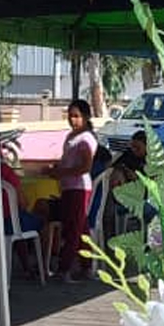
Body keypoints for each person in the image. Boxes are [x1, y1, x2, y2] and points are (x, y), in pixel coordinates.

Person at [46, 98, 97, 282]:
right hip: (68, 187)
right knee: (80, 227)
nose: (72, 120)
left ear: (85, 117)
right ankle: (86, 266)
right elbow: (67, 160)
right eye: (70, 116)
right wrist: (56, 169)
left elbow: (85, 167)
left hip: (79, 188)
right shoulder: (71, 136)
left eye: (76, 116)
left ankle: (65, 267)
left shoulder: (86, 139)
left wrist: (62, 172)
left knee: (73, 229)